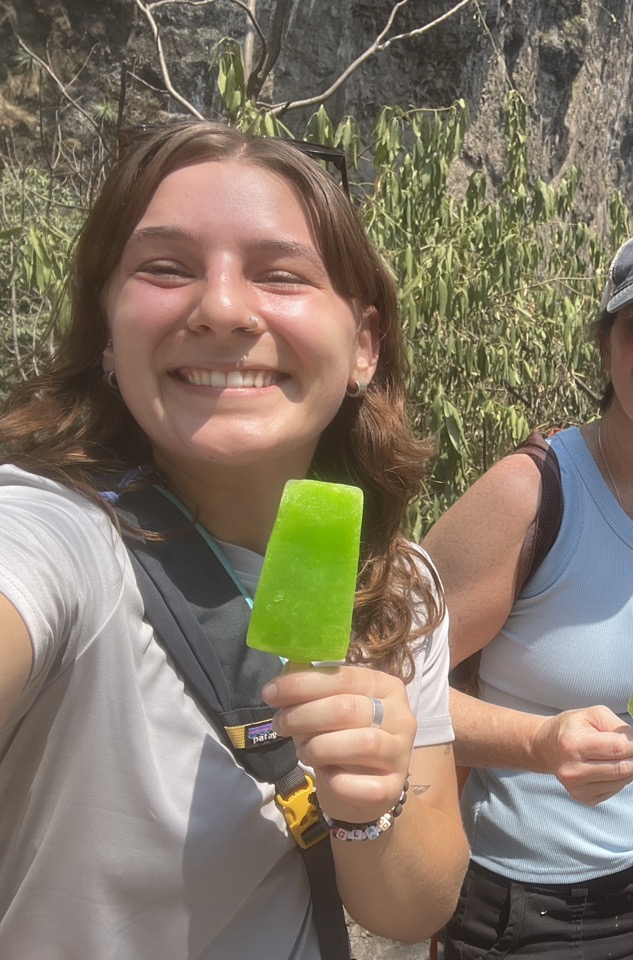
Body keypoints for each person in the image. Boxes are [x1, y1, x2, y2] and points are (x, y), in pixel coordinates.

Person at [0, 122, 469, 958]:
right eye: (166, 268)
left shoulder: (397, 586)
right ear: (107, 332)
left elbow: (417, 909)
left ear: (363, 345)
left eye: (281, 275)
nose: (220, 308)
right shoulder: (59, 536)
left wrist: (373, 804)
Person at [423, 221, 633, 960]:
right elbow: (385, 681)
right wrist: (539, 743)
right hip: (538, 902)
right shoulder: (531, 494)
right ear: (607, 342)